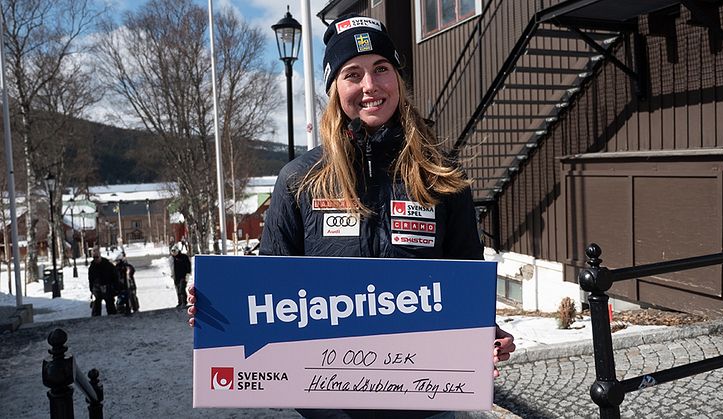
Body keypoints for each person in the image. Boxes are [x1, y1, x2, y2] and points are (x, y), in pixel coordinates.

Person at [188, 13, 515, 418]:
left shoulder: (441, 175)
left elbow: (465, 273)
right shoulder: (299, 181)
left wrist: (485, 332)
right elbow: (267, 291)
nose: (370, 86)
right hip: (330, 408)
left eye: (382, 69)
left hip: (427, 405)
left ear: (398, 79)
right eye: (352, 74)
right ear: (334, 88)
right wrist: (222, 308)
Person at [88, 246, 118, 316]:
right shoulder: (92, 267)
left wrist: (114, 286)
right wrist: (91, 289)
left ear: (100, 256)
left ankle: (113, 318)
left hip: (107, 287)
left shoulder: (108, 264)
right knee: (96, 306)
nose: (96, 259)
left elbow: (115, 275)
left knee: (110, 306)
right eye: (94, 257)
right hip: (97, 288)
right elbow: (90, 279)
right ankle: (96, 320)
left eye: (97, 257)